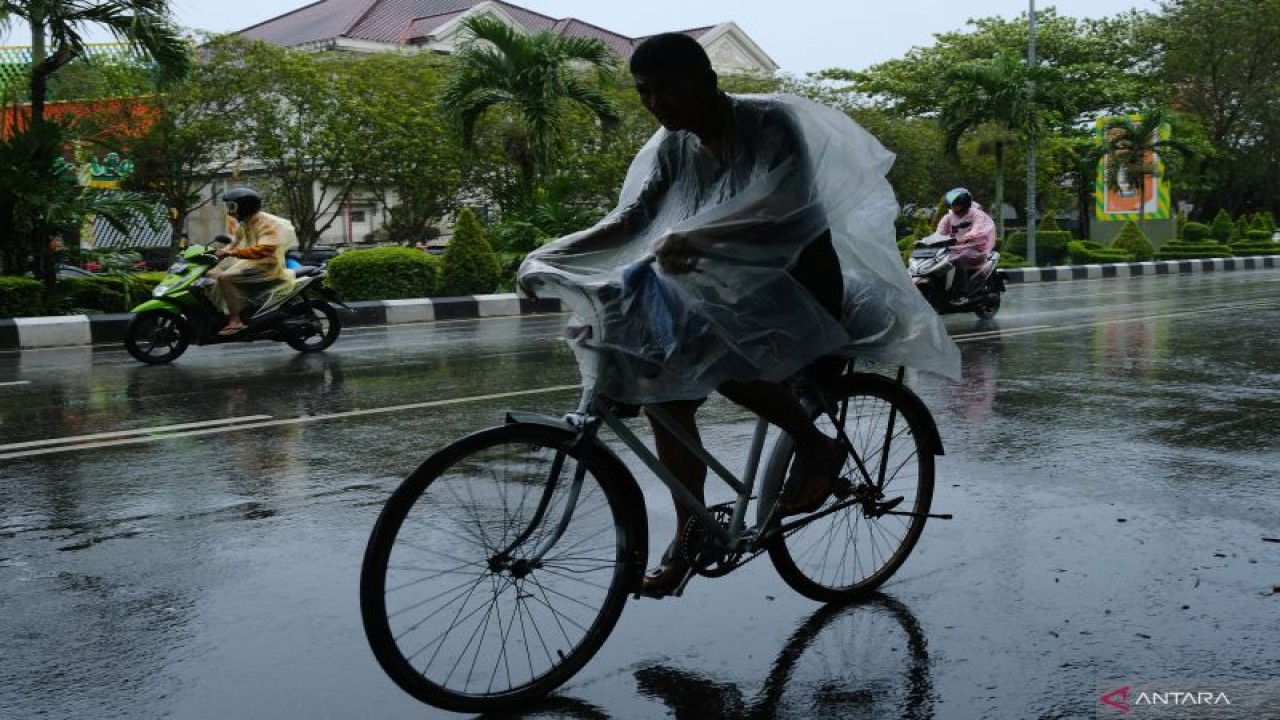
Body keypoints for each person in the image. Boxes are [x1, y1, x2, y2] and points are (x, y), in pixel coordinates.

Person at [518, 33, 959, 597]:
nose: (656, 103)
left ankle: (816, 444)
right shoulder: (675, 146)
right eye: (645, 92)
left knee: (712, 357)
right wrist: (552, 253)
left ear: (707, 79)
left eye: (668, 89)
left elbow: (786, 203)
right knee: (665, 397)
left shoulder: (770, 123)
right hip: (727, 290)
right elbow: (636, 217)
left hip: (799, 290)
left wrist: (697, 233)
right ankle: (690, 540)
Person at [210, 187, 298, 335]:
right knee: (212, 273)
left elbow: (264, 250)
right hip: (252, 263)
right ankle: (224, 314)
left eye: (232, 206)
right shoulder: (245, 223)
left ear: (244, 206)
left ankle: (235, 320)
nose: (229, 210)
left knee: (225, 278)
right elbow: (234, 241)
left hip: (267, 266)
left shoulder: (266, 224)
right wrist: (218, 251)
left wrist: (232, 252)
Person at [935, 187, 996, 299]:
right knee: (939, 261)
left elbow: (978, 229)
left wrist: (965, 237)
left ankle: (961, 293)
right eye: (951, 205)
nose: (953, 208)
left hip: (976, 248)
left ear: (965, 204)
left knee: (956, 260)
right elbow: (940, 232)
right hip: (955, 249)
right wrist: (924, 241)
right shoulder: (948, 217)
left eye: (956, 205)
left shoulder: (977, 214)